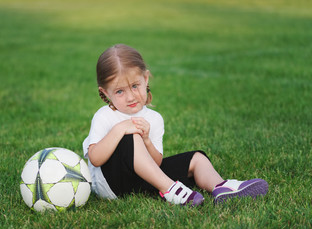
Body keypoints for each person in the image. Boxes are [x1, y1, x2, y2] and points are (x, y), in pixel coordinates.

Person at [82, 44, 268, 207]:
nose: (130, 96)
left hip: (143, 180)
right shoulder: (105, 116)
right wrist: (120, 129)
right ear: (105, 93)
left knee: (196, 157)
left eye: (135, 86)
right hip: (111, 185)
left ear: (146, 79)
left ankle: (221, 187)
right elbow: (95, 158)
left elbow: (156, 163)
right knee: (131, 137)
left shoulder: (154, 118)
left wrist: (146, 140)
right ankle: (169, 189)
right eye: (120, 91)